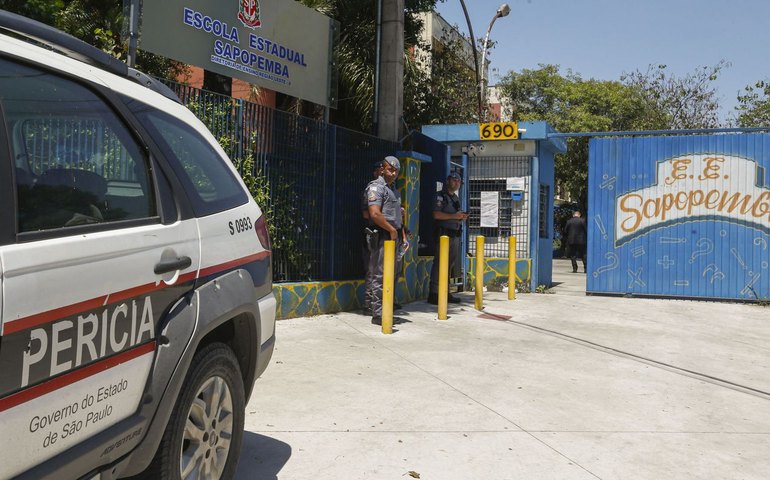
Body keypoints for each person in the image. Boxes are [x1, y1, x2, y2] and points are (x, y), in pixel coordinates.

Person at [365, 156, 402, 325]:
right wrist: (391, 229)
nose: (393, 173)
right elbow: (374, 213)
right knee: (379, 275)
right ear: (382, 168)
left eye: (395, 170)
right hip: (382, 235)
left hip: (394, 236)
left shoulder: (393, 189)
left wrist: (400, 231)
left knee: (392, 274)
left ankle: (387, 308)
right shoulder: (376, 187)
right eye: (390, 169)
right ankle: (378, 313)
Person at [427, 171, 468, 305]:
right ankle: (434, 293)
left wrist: (461, 217)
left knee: (449, 265)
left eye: (459, 181)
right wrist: (455, 216)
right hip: (443, 235)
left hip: (454, 234)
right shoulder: (440, 197)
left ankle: (445, 292)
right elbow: (436, 215)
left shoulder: (455, 198)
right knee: (440, 263)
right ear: (448, 180)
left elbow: (455, 214)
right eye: (454, 180)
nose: (457, 183)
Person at [361, 161, 382, 314]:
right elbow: (367, 213)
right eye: (380, 170)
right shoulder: (371, 190)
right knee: (372, 270)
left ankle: (381, 302)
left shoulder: (388, 190)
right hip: (373, 232)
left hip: (384, 232)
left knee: (381, 270)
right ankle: (368, 304)